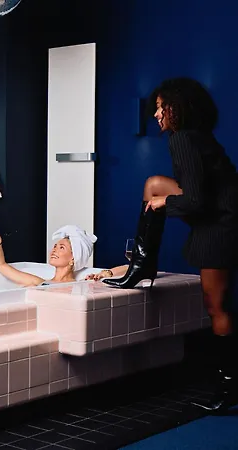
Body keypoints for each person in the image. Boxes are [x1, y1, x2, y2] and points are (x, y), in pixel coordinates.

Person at [103, 77, 238, 411]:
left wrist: (166, 202)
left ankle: (229, 387)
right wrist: (163, 197)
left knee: (216, 306)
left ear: (179, 108)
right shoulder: (196, 137)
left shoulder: (184, 140)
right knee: (154, 184)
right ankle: (142, 264)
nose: (156, 114)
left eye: (162, 107)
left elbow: (196, 201)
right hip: (221, 217)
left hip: (221, 225)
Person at [0, 225, 97, 286]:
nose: (54, 250)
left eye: (61, 247)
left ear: (74, 258)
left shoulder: (80, 286)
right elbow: (0, 265)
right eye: (55, 246)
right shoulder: (41, 283)